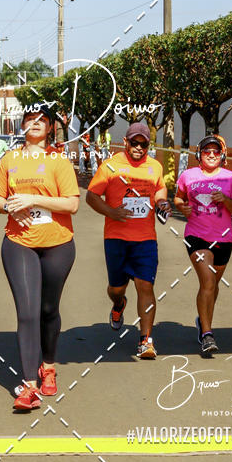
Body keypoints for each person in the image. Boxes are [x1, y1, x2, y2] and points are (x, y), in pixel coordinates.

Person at [0, 104, 79, 411]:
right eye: (30, 119)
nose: (36, 123)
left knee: (48, 310)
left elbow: (71, 205)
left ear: (51, 127)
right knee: (27, 312)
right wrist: (10, 206)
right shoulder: (10, 159)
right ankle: (28, 386)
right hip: (19, 243)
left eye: (42, 120)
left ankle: (49, 365)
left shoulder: (59, 161)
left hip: (58, 244)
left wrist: (33, 198)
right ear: (22, 126)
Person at [86, 122, 171, 359]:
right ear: (125, 142)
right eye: (134, 143)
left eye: (143, 144)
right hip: (116, 238)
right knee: (117, 288)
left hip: (145, 239)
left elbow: (160, 190)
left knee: (146, 286)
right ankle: (118, 304)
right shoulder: (111, 166)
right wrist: (111, 212)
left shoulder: (154, 166)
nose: (139, 148)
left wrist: (162, 202)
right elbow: (91, 196)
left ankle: (146, 340)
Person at [175, 135, 232, 356]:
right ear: (200, 155)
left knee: (212, 286)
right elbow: (178, 198)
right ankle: (207, 335)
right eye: (207, 151)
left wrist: (225, 199)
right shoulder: (188, 175)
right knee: (207, 281)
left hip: (223, 239)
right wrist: (182, 207)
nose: (212, 155)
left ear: (222, 155)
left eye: (216, 151)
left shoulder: (231, 178)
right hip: (196, 236)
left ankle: (201, 321)